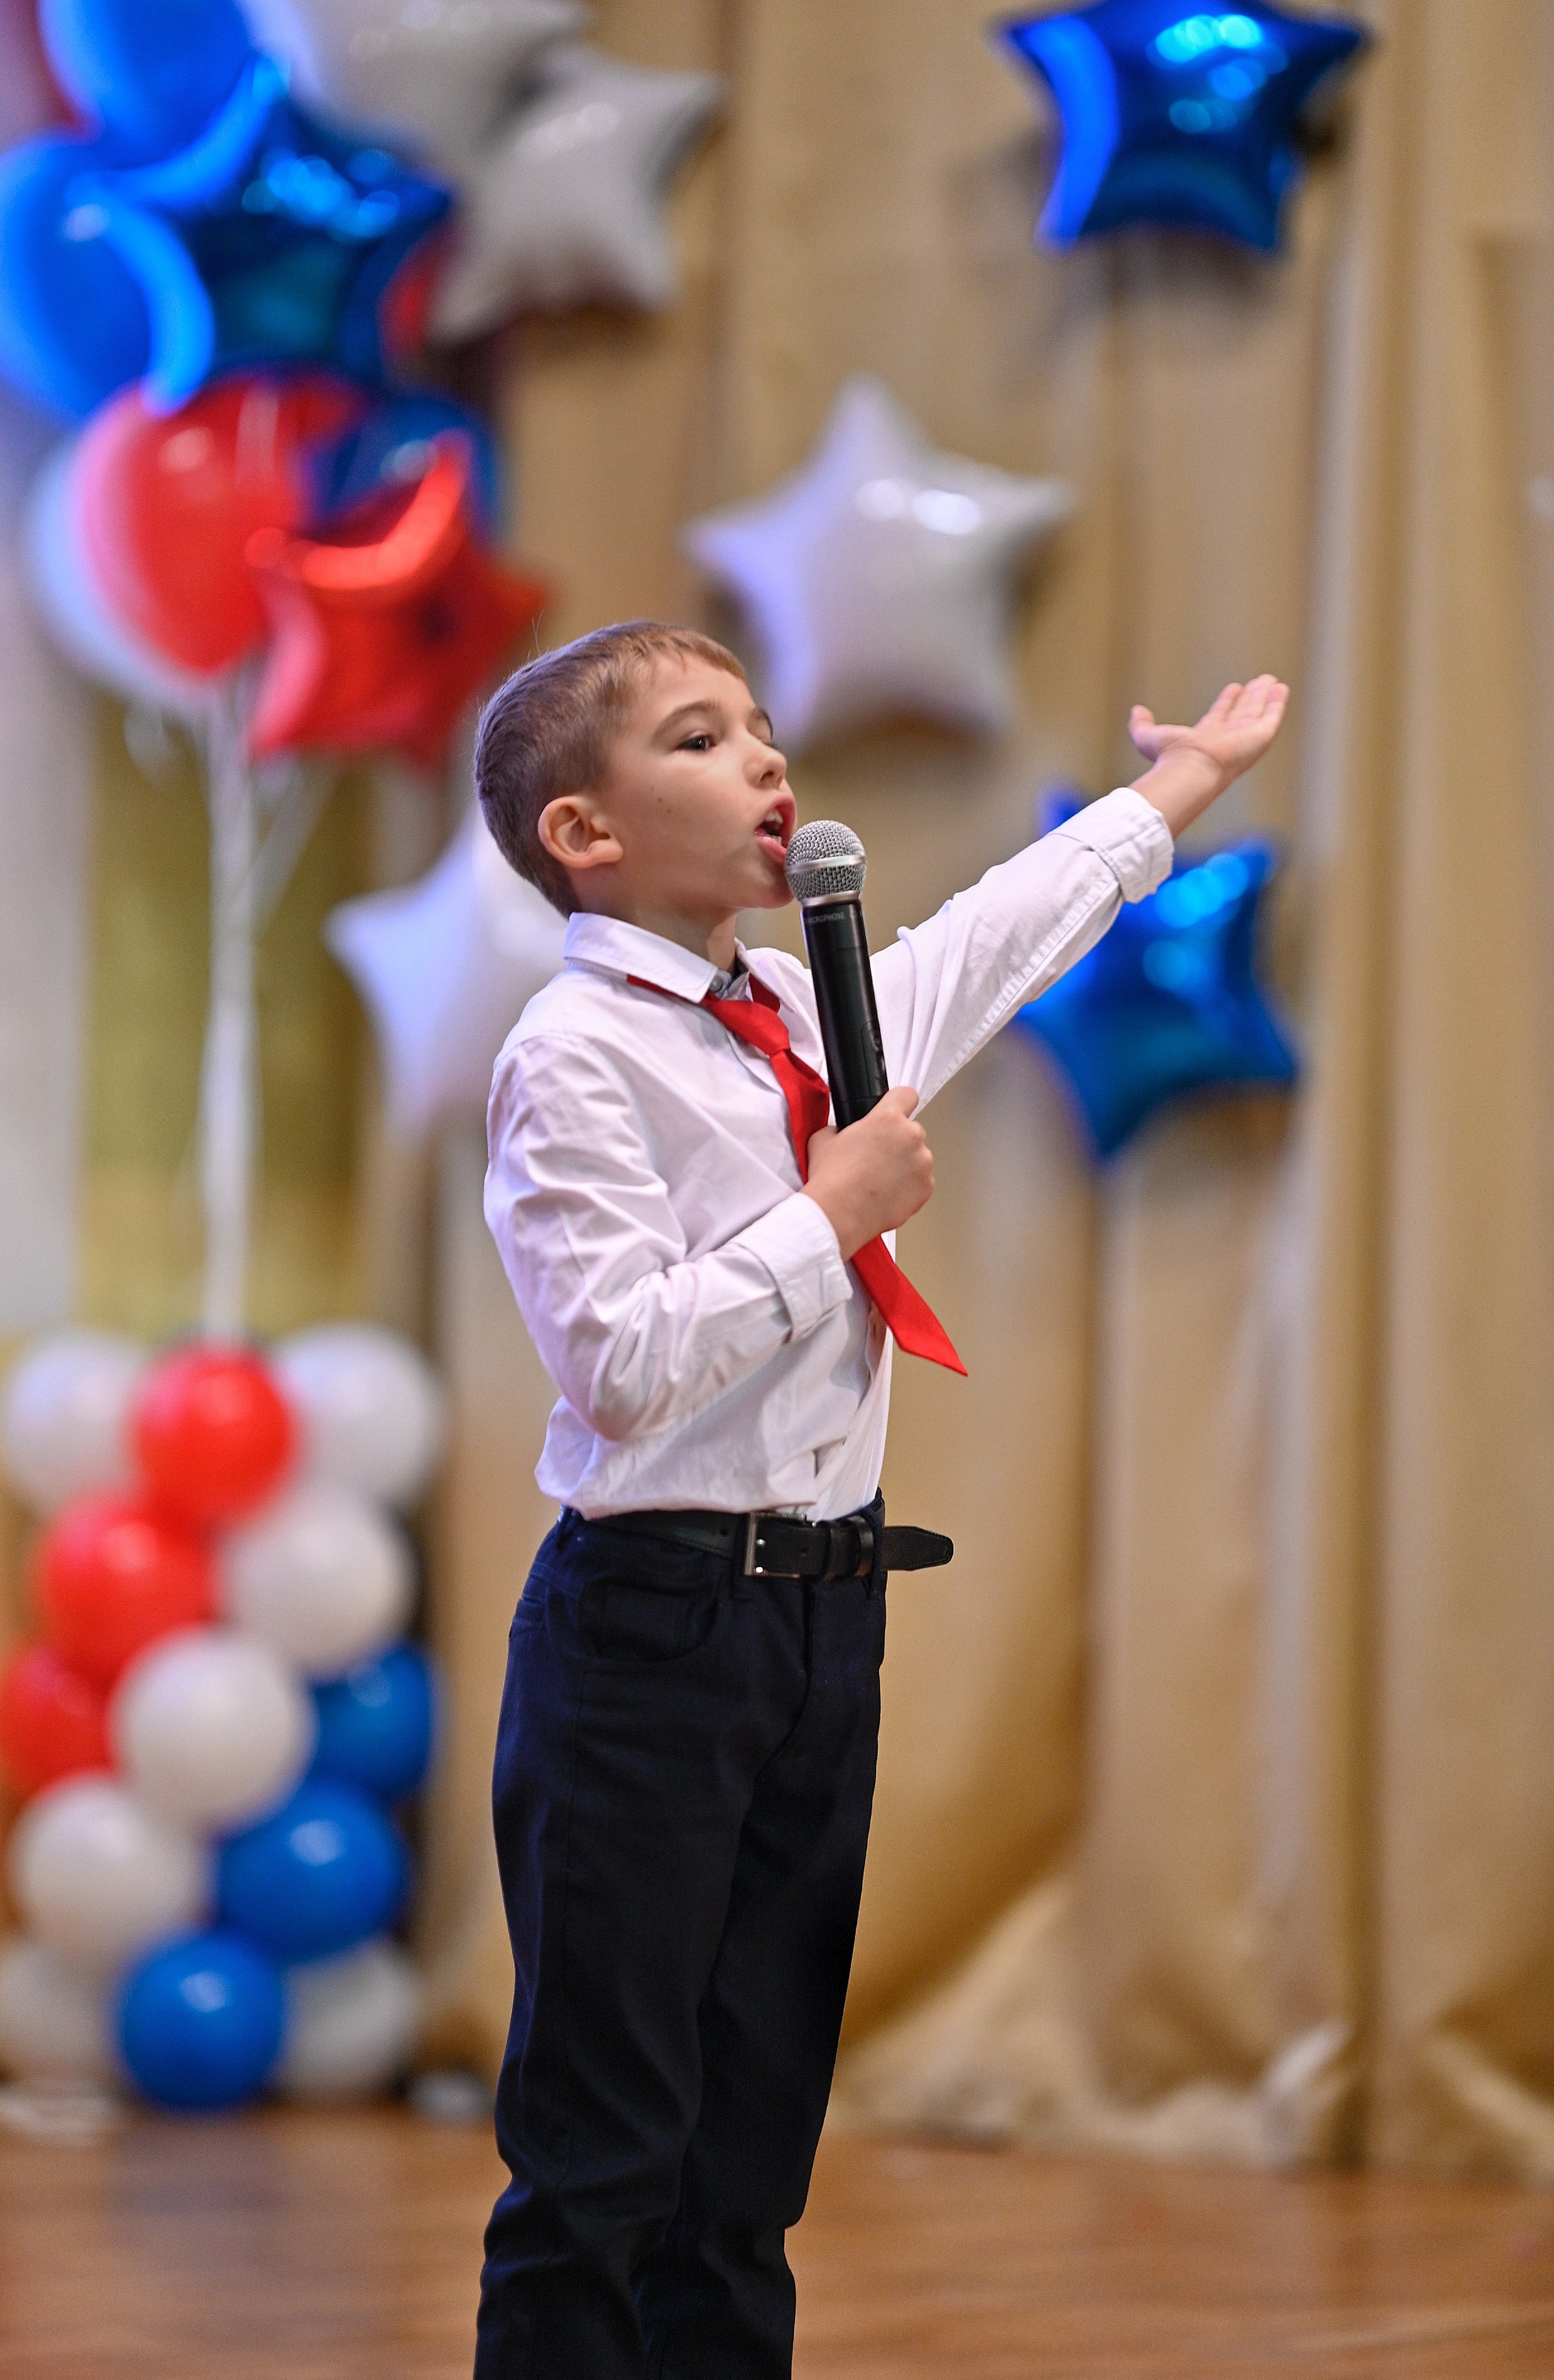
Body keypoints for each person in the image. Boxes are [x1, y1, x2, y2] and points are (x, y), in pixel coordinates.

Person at [472, 620, 1288, 2378]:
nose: (769, 760)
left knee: (747, 2162)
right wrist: (829, 1211)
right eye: (703, 739)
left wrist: (1181, 788)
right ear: (583, 836)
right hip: (651, 1635)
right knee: (604, 2153)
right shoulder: (575, 1055)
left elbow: (1005, 931)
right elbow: (619, 1364)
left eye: (767, 726)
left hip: (821, 1619)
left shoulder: (808, 1013)